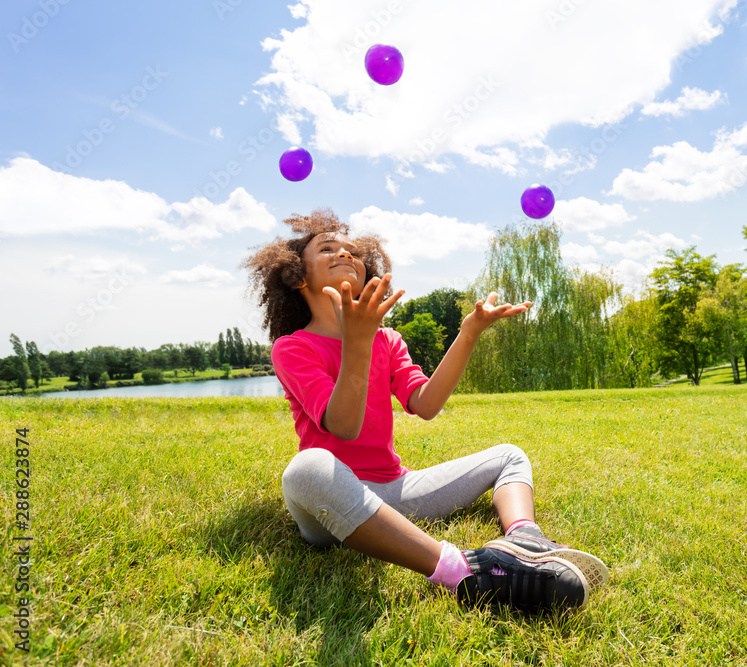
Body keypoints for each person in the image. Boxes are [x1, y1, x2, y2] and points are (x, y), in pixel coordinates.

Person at [243, 209, 607, 613]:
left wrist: (468, 333)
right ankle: (463, 571)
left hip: (395, 492)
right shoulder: (293, 348)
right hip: (332, 508)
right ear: (298, 275)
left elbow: (426, 403)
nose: (344, 253)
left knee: (509, 455)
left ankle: (526, 539)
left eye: (352, 251)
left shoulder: (388, 340)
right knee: (305, 469)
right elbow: (343, 425)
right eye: (327, 248)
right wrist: (358, 342)